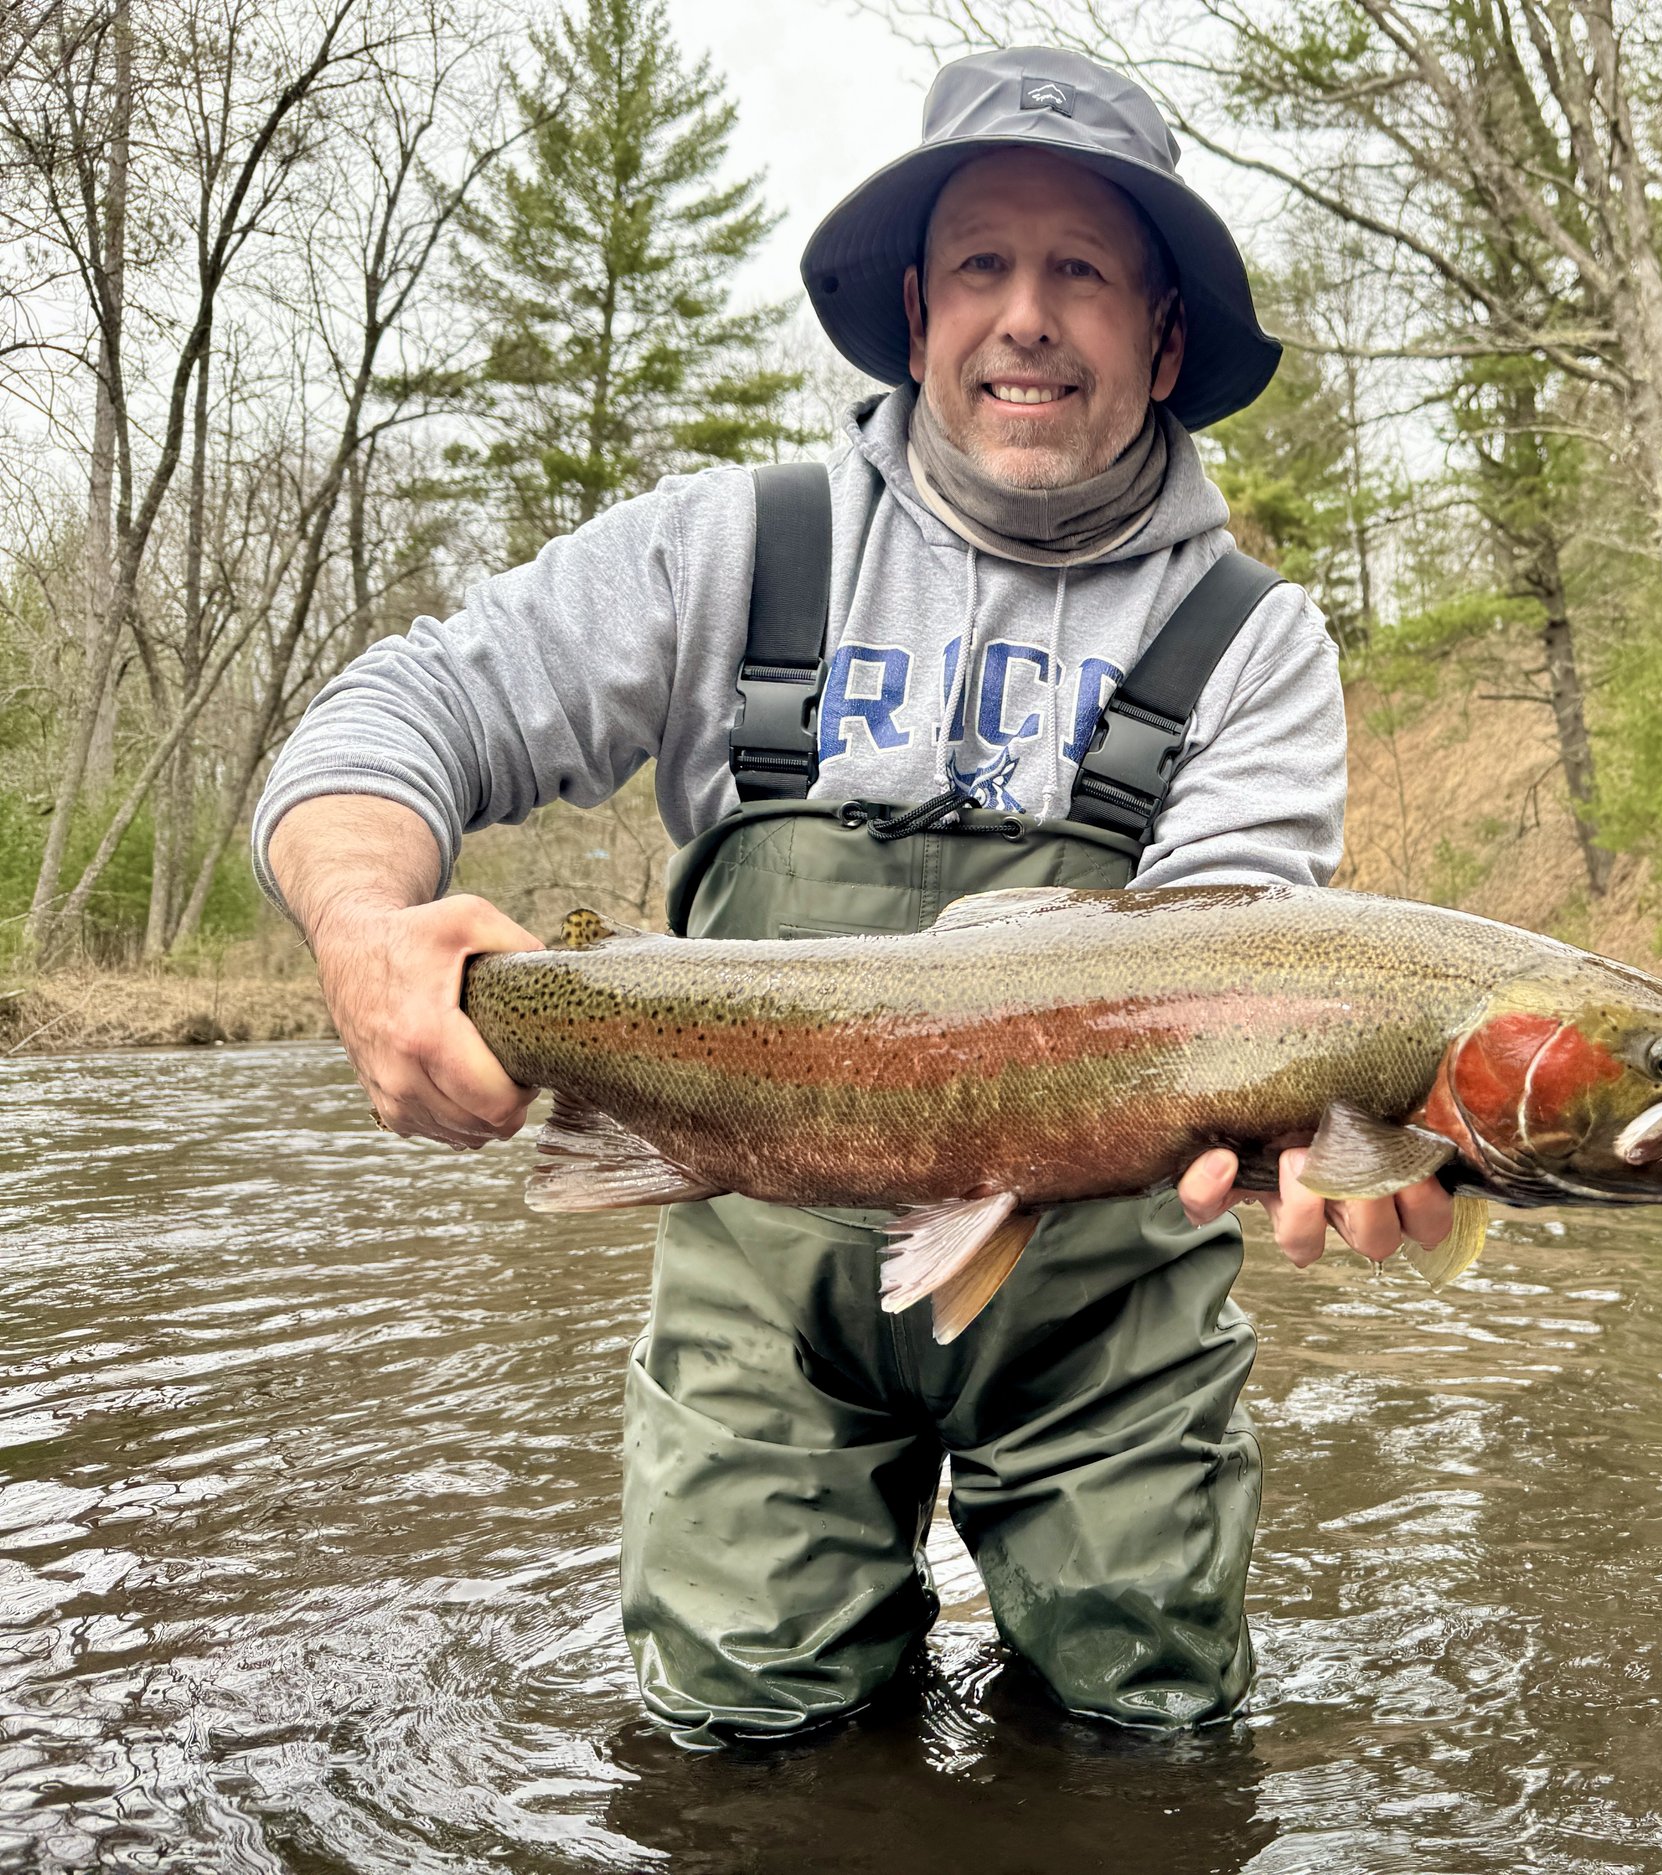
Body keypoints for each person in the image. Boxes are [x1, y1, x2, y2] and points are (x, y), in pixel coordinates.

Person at [252, 47, 1452, 1745]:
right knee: (740, 1761)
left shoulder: (1253, 640)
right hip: (762, 1288)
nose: (1026, 317)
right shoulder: (734, 548)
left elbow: (1227, 981)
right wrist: (366, 923)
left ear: (1165, 337)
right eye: (983, 265)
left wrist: (1353, 1139)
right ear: (913, 310)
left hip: (1103, 1314)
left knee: (1150, 1753)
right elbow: (397, 714)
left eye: (1084, 272)